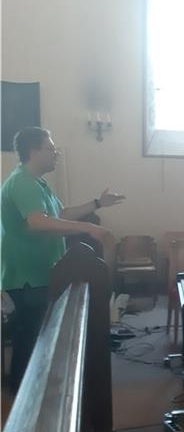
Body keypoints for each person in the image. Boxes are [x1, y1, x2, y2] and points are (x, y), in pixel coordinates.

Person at [1, 126, 122, 390]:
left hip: (41, 272)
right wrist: (90, 228)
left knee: (38, 336)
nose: (55, 154)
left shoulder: (37, 183)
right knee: (31, 338)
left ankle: (32, 389)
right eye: (50, 149)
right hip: (27, 277)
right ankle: (24, 395)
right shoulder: (22, 182)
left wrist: (97, 204)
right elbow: (37, 222)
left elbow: (61, 213)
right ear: (33, 151)